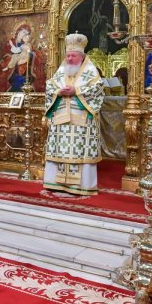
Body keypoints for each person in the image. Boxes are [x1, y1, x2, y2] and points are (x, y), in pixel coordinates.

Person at [43, 33, 104, 195]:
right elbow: (50, 87)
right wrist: (58, 91)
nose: (69, 59)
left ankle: (81, 186)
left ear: (81, 56)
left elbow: (97, 90)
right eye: (68, 55)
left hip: (82, 121)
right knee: (60, 150)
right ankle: (56, 183)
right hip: (61, 119)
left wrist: (76, 90)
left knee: (79, 152)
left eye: (73, 56)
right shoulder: (61, 70)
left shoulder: (90, 71)